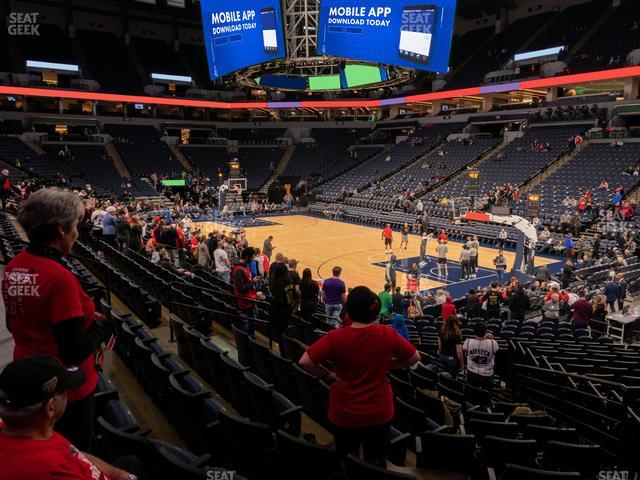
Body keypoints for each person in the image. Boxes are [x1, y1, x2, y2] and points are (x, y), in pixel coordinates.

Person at [2, 189, 111, 451]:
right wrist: (102, 328)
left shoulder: (14, 266)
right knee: (76, 450)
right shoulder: (59, 278)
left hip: (31, 376)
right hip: (66, 389)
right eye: (74, 225)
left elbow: (13, 323)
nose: (76, 232)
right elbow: (73, 351)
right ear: (61, 229)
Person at [299, 286, 420, 466]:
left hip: (344, 411)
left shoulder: (335, 337)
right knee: (375, 458)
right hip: (379, 413)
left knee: (346, 457)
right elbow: (414, 358)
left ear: (349, 310)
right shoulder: (387, 334)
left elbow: (305, 362)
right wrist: (387, 365)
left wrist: (328, 374)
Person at [0, 355, 144, 480]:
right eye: (64, 391)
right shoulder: (54, 471)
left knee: (131, 462)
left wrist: (121, 476)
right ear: (50, 408)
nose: (68, 395)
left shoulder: (21, 430)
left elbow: (75, 454)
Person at [232, 247, 266, 333]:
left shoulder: (242, 267)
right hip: (246, 300)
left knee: (253, 318)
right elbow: (240, 289)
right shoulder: (240, 270)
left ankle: (248, 334)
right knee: (251, 320)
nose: (253, 259)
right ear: (247, 257)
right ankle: (248, 336)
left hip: (249, 298)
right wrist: (252, 282)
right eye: (252, 257)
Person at [463, 322, 498, 391]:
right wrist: (487, 337)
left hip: (472, 372)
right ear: (485, 331)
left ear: (475, 332)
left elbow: (464, 348)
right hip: (486, 374)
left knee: (472, 395)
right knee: (486, 396)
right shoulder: (492, 342)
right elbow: (496, 349)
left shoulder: (468, 342)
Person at [269, 262, 294, 354]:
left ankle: (282, 349)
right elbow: (290, 297)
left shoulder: (276, 282)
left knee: (280, 330)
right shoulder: (289, 281)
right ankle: (284, 349)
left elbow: (277, 298)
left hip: (278, 309)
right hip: (286, 308)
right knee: (284, 329)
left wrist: (267, 298)